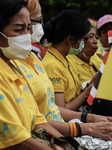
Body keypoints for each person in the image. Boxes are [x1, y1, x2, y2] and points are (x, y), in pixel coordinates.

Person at [10, 0, 112, 142]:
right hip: (62, 127)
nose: (92, 41)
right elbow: (54, 110)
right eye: (85, 38)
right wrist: (88, 117)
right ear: (70, 39)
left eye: (29, 26)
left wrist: (89, 85)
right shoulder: (51, 64)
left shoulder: (52, 58)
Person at [0, 0, 64, 149]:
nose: (27, 35)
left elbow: (38, 121)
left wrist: (68, 145)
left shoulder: (13, 67)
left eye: (29, 28)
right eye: (18, 30)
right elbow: (17, 140)